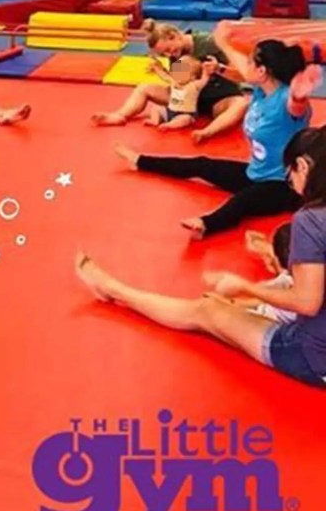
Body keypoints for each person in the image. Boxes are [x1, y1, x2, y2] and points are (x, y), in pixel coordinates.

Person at [74, 126, 326, 389]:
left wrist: (244, 286)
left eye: (290, 176)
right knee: (251, 301)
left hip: (313, 358)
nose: (293, 186)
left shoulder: (310, 220)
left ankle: (113, 289)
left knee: (207, 310)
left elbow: (307, 302)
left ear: (303, 167)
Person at [113, 32, 318, 238]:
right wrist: (223, 50)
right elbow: (243, 72)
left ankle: (205, 225)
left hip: (282, 185)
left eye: (250, 63)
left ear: (262, 70)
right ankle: (140, 161)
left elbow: (296, 107)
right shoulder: (261, 90)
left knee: (241, 201)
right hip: (255, 173)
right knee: (201, 164)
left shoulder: (285, 101)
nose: (246, 67)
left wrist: (299, 96)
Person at [92, 19, 250, 143]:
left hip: (218, 98)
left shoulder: (210, 44)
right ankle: (120, 115)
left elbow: (242, 75)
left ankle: (207, 132)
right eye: (164, 54)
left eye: (168, 50)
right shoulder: (174, 55)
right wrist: (161, 70)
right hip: (189, 100)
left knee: (241, 103)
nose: (169, 55)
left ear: (175, 35)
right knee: (145, 87)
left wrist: (219, 68)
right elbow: (178, 82)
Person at [144, 55, 209, 131]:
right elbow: (164, 76)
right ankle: (155, 121)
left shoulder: (194, 85)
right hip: (170, 111)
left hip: (184, 114)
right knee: (156, 108)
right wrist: (156, 69)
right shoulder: (174, 82)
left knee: (185, 119)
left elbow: (204, 81)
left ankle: (170, 125)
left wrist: (206, 71)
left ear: (192, 77)